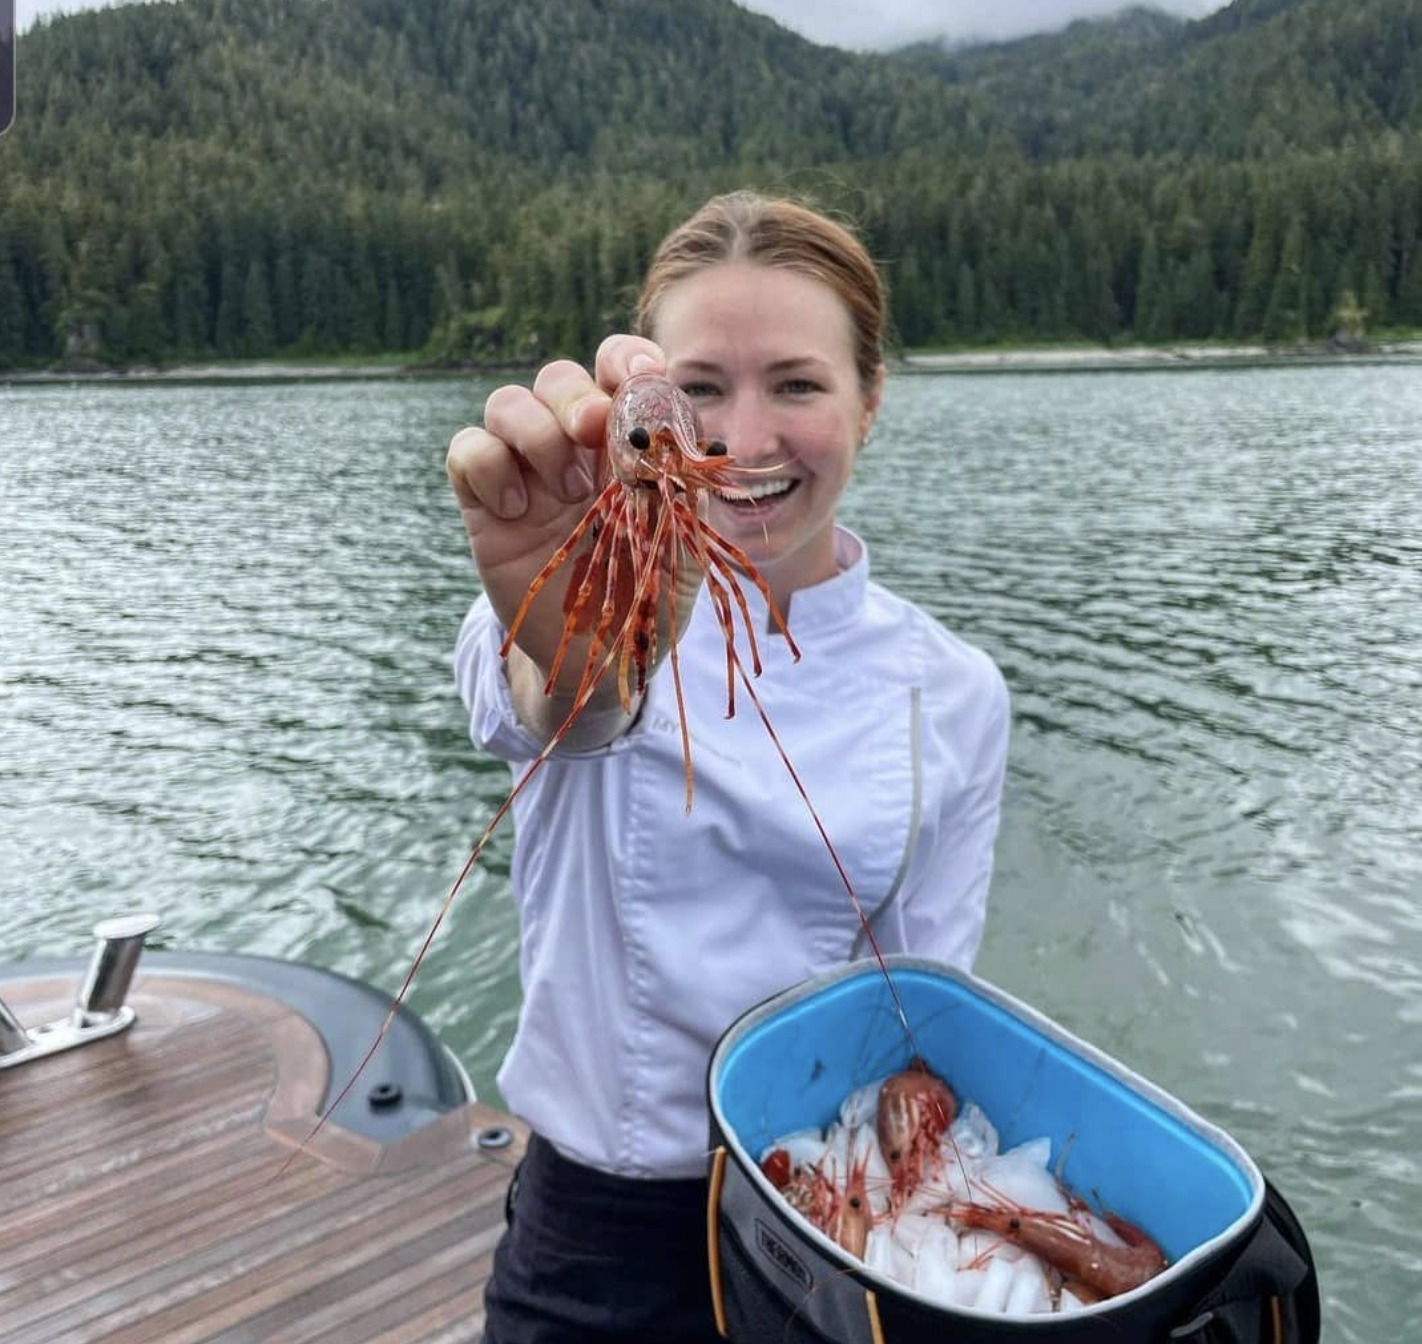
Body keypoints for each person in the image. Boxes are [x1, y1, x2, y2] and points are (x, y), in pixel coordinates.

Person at [445, 191, 1010, 1344]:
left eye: (796, 385)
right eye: (699, 389)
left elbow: (922, 1009)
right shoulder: (570, 598)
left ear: (870, 401)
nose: (742, 443)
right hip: (590, 1239)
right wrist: (577, 645)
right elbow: (568, 702)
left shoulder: (955, 693)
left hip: (818, 1225)